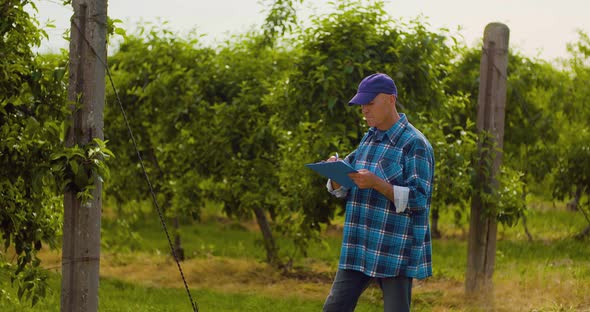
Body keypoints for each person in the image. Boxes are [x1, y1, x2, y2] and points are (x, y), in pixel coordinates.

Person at [322, 73, 435, 312]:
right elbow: (345, 183)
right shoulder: (369, 139)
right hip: (359, 243)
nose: (364, 109)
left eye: (370, 103)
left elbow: (420, 200)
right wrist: (334, 172)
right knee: (334, 308)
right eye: (361, 104)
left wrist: (377, 184)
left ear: (391, 99)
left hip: (393, 248)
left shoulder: (414, 144)